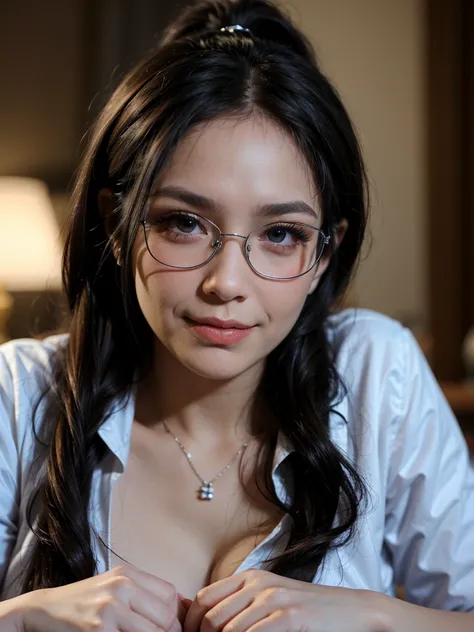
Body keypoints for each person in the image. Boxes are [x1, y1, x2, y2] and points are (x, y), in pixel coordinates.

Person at [0, 0, 473, 630]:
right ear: (115, 224)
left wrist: (374, 618)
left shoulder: (377, 374)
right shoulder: (19, 393)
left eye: (280, 234)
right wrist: (21, 618)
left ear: (325, 252)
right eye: (184, 223)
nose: (226, 283)